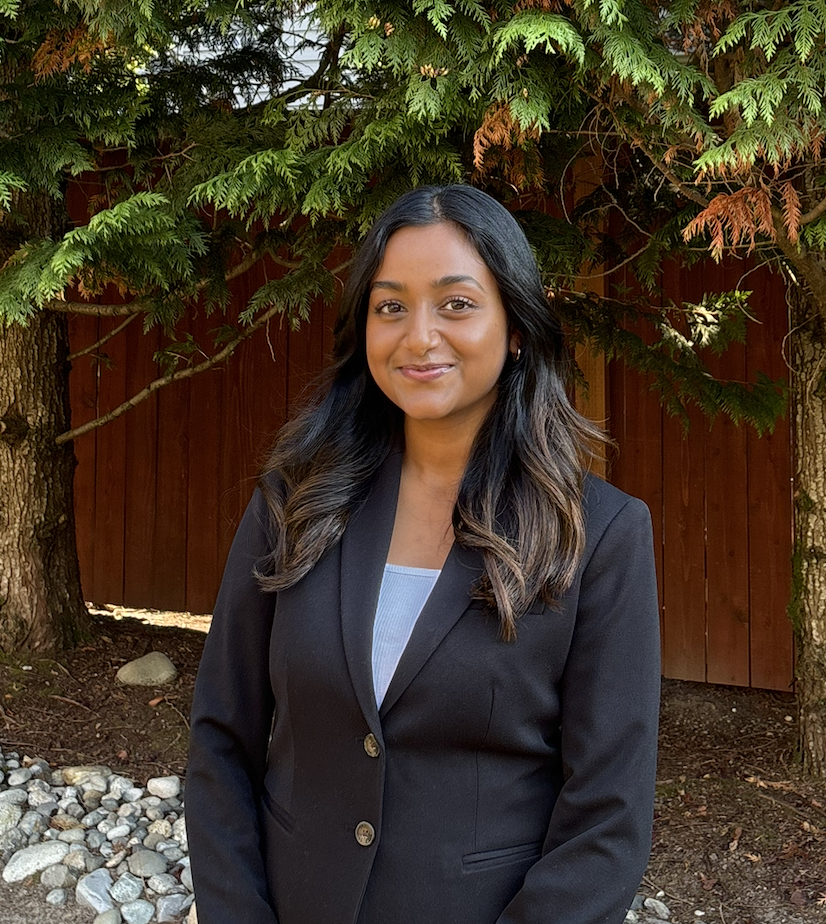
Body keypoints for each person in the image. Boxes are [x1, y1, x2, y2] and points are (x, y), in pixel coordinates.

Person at [186, 184, 660, 924]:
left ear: (518, 329)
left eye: (457, 304)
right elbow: (221, 736)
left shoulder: (600, 536)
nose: (419, 337)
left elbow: (607, 819)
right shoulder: (295, 501)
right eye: (390, 306)